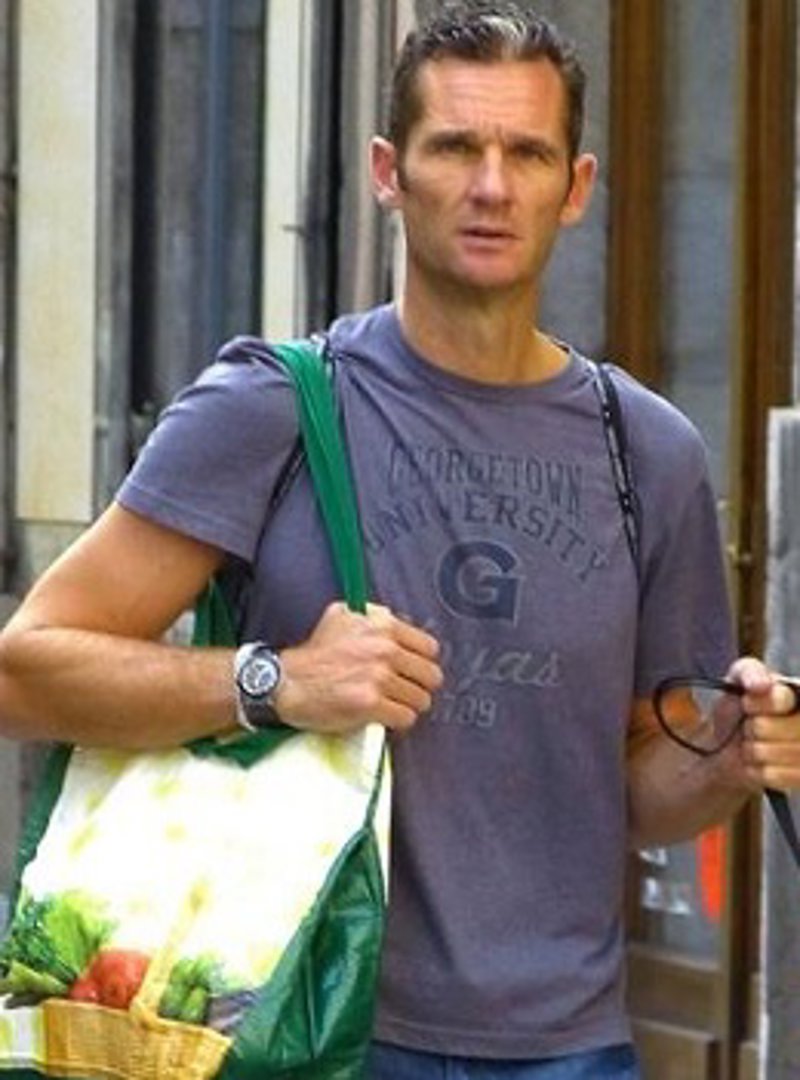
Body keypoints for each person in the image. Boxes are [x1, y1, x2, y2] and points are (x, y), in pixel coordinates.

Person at [1, 2, 799, 1077]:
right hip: (305, 1031)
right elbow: (24, 672)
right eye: (454, 147)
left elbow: (634, 792)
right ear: (388, 171)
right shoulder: (275, 408)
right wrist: (275, 680)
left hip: (570, 1046)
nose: (490, 185)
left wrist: (730, 761)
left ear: (575, 187)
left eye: (526, 154)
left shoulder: (645, 450)